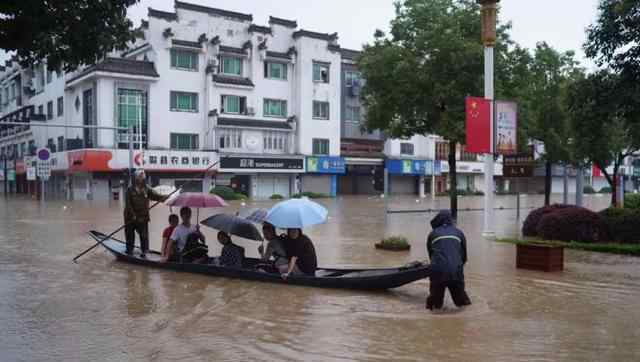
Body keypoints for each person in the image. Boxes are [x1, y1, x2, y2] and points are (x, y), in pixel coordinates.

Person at [425, 210, 471, 310]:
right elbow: (464, 256)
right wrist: (456, 268)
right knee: (463, 304)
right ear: (450, 220)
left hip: (438, 271)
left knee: (435, 306)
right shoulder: (459, 233)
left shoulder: (433, 234)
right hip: (456, 271)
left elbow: (431, 254)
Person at [123, 169, 167, 257]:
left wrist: (167, 197)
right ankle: (129, 251)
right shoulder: (130, 190)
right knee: (130, 236)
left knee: (144, 236)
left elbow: (156, 196)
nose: (142, 178)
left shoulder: (147, 189)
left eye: (143, 176)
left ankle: (144, 252)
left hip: (143, 217)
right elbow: (128, 205)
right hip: (130, 217)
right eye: (140, 176)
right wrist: (133, 215)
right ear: (136, 178)